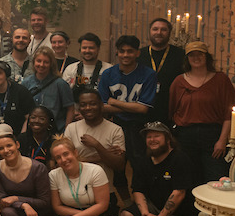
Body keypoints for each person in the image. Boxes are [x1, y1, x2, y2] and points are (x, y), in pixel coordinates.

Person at [120, 122, 197, 216]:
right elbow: (138, 190)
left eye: (157, 136)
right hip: (154, 208)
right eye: (149, 137)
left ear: (168, 139)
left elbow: (179, 193)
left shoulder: (180, 159)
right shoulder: (144, 161)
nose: (152, 140)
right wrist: (145, 215)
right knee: (126, 215)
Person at [168, 41, 235, 184]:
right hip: (185, 137)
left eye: (200, 54)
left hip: (212, 136)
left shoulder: (221, 80)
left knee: (216, 177)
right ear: (187, 58)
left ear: (207, 57)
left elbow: (229, 114)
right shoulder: (178, 82)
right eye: (192, 55)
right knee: (188, 178)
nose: (196, 57)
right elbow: (172, 112)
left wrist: (222, 141)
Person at [98, 34, 158, 178]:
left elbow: (143, 109)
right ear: (117, 52)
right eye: (122, 51)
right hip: (114, 125)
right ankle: (123, 201)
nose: (125, 55)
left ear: (137, 53)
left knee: (140, 165)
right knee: (117, 166)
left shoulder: (148, 74)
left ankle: (141, 198)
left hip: (140, 127)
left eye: (130, 51)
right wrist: (133, 106)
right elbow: (102, 107)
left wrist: (114, 102)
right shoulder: (107, 74)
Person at [62, 89, 127, 193]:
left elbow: (119, 165)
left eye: (93, 104)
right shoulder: (71, 128)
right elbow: (65, 162)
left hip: (104, 189)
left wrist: (97, 145)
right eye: (83, 105)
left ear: (101, 105)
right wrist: (103, 155)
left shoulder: (115, 130)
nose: (88, 108)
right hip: (75, 189)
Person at [141, 18, 185, 127]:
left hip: (171, 110)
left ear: (169, 33)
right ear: (150, 32)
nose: (159, 33)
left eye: (163, 30)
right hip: (144, 110)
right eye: (155, 29)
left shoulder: (181, 55)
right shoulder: (139, 54)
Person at [22, 47, 75, 131]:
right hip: (33, 130)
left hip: (55, 130)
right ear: (34, 62)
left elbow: (70, 109)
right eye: (39, 61)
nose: (41, 65)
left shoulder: (60, 84)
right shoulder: (26, 83)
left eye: (46, 62)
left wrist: (67, 130)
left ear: (51, 64)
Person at [0, 59, 35, 135]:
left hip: (19, 136)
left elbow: (28, 118)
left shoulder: (21, 92)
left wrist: (22, 137)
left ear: (6, 75)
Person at [17, 105, 56, 169]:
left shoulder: (54, 141)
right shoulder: (22, 139)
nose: (36, 121)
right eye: (33, 117)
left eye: (42, 119)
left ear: (49, 122)